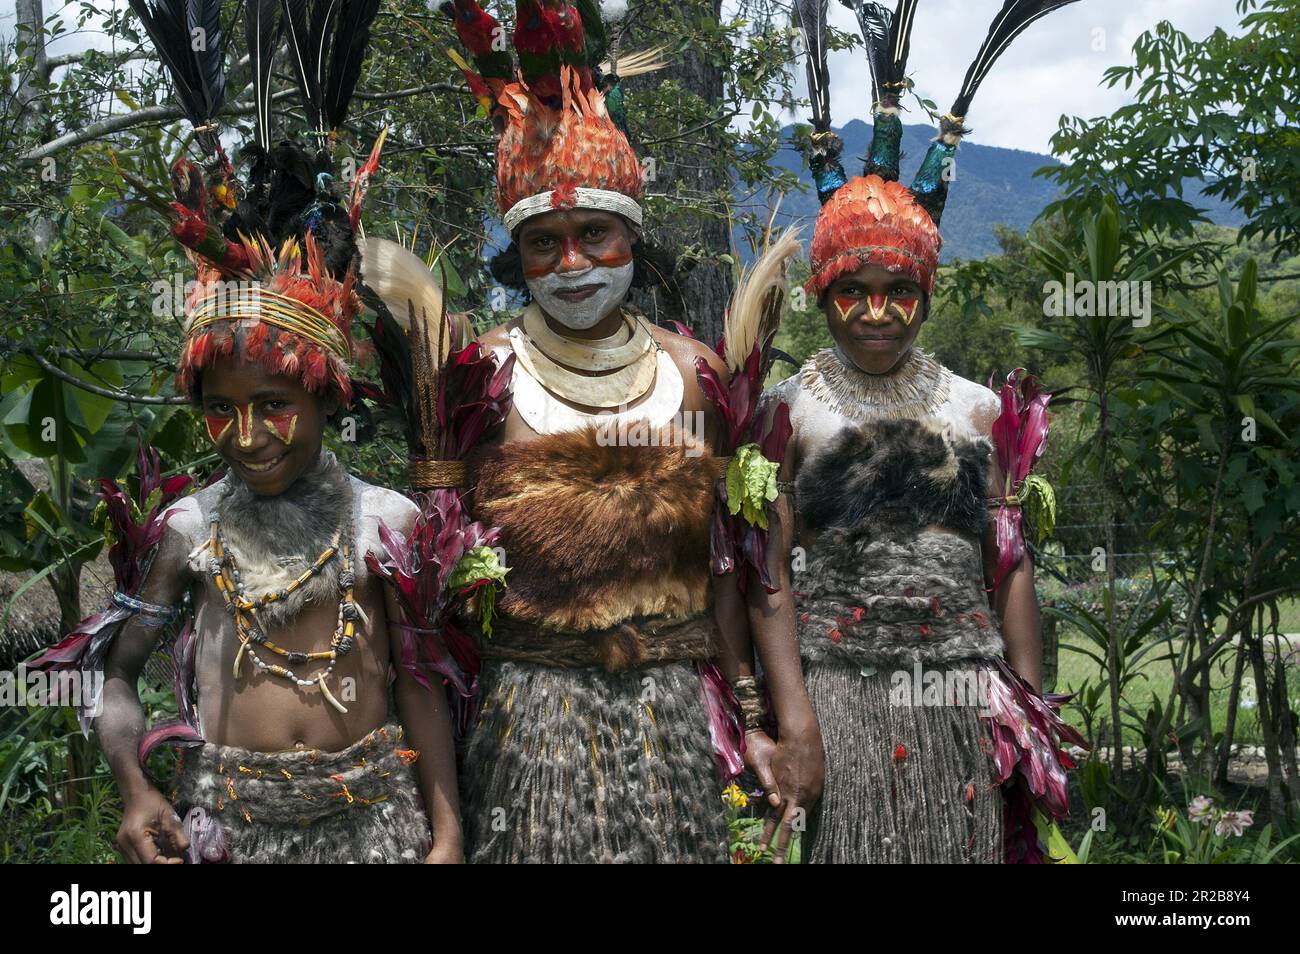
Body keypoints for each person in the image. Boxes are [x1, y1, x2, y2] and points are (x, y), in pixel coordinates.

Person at [31, 0, 462, 863]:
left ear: (328, 399)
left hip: (376, 825)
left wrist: (447, 830)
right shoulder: (187, 532)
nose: (250, 435)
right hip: (226, 828)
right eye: (221, 412)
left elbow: (420, 684)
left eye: (275, 405)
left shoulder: (390, 527)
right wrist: (135, 785)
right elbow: (113, 674)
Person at [442, 0, 824, 862]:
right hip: (527, 729)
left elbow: (736, 571)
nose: (571, 263)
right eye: (544, 243)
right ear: (516, 253)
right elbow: (440, 598)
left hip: (671, 729)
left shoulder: (696, 375)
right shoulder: (479, 379)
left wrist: (757, 721)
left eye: (593, 235)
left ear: (632, 234)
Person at [748, 0, 1085, 863]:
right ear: (820, 292)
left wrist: (1026, 706)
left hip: (960, 697)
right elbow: (768, 577)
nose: (875, 314)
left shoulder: (978, 411)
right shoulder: (785, 410)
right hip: (841, 696)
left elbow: (1007, 566)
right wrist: (792, 721)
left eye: (897, 289)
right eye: (850, 292)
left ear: (927, 292)